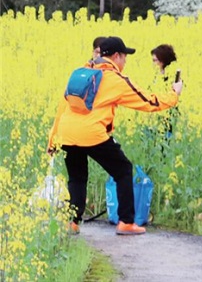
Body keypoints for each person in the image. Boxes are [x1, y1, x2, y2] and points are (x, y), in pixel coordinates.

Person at [47, 36, 183, 235]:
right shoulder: (115, 79)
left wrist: (53, 139)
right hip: (92, 133)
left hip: (66, 133)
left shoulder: (80, 72)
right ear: (116, 56)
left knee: (77, 177)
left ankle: (73, 223)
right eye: (125, 57)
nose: (125, 62)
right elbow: (147, 102)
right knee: (123, 170)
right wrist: (174, 94)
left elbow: (62, 108)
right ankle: (126, 222)